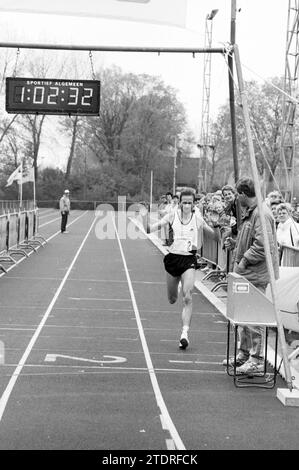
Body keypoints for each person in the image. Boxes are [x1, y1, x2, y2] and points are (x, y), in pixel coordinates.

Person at [223, 177, 279, 375]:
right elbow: (251, 240)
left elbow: (263, 246)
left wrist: (243, 261)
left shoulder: (261, 214)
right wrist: (236, 244)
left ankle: (256, 358)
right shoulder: (252, 213)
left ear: (243, 194)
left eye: (238, 194)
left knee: (254, 318)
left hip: (255, 274)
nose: (237, 198)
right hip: (246, 274)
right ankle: (244, 353)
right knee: (244, 317)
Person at [147, 189, 215, 350]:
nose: (186, 205)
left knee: (188, 296)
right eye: (183, 202)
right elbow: (152, 228)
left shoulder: (198, 219)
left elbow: (214, 235)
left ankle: (184, 334)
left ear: (193, 204)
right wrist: (145, 220)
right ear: (179, 203)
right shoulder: (172, 216)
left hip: (189, 260)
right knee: (172, 299)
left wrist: (217, 224)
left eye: (189, 203)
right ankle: (177, 286)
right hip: (173, 259)